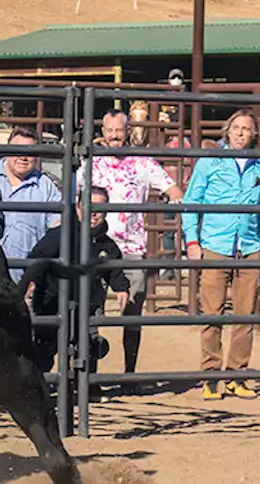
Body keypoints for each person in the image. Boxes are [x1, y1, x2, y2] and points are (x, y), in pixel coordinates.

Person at [78, 109, 184, 384]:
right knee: (90, 311)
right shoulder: (92, 162)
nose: (115, 136)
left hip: (131, 247)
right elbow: (73, 194)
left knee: (132, 312)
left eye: (119, 130)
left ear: (128, 131)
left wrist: (174, 197)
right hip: (96, 245)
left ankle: (130, 373)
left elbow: (171, 187)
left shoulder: (142, 162)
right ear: (102, 131)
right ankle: (89, 378)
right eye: (110, 130)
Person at [182, 110, 260, 401]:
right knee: (212, 313)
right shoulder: (210, 161)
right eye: (235, 127)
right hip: (215, 245)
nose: (240, 133)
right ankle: (210, 375)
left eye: (246, 129)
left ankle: (236, 375)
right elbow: (191, 200)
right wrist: (192, 241)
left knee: (246, 316)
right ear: (228, 131)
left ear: (254, 134)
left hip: (248, 248)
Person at [26, 186, 130, 402]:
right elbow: (37, 257)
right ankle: (38, 388)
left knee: (87, 345)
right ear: (79, 207)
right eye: (90, 206)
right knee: (45, 347)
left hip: (87, 304)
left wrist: (121, 287)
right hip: (54, 301)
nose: (94, 213)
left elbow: (114, 268)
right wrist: (32, 282)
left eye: (100, 208)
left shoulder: (105, 244)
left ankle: (86, 387)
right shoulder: (60, 235)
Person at [0, 127, 62, 281]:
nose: (23, 157)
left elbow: (57, 227)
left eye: (30, 152)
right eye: (18, 150)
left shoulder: (46, 186)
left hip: (24, 277)